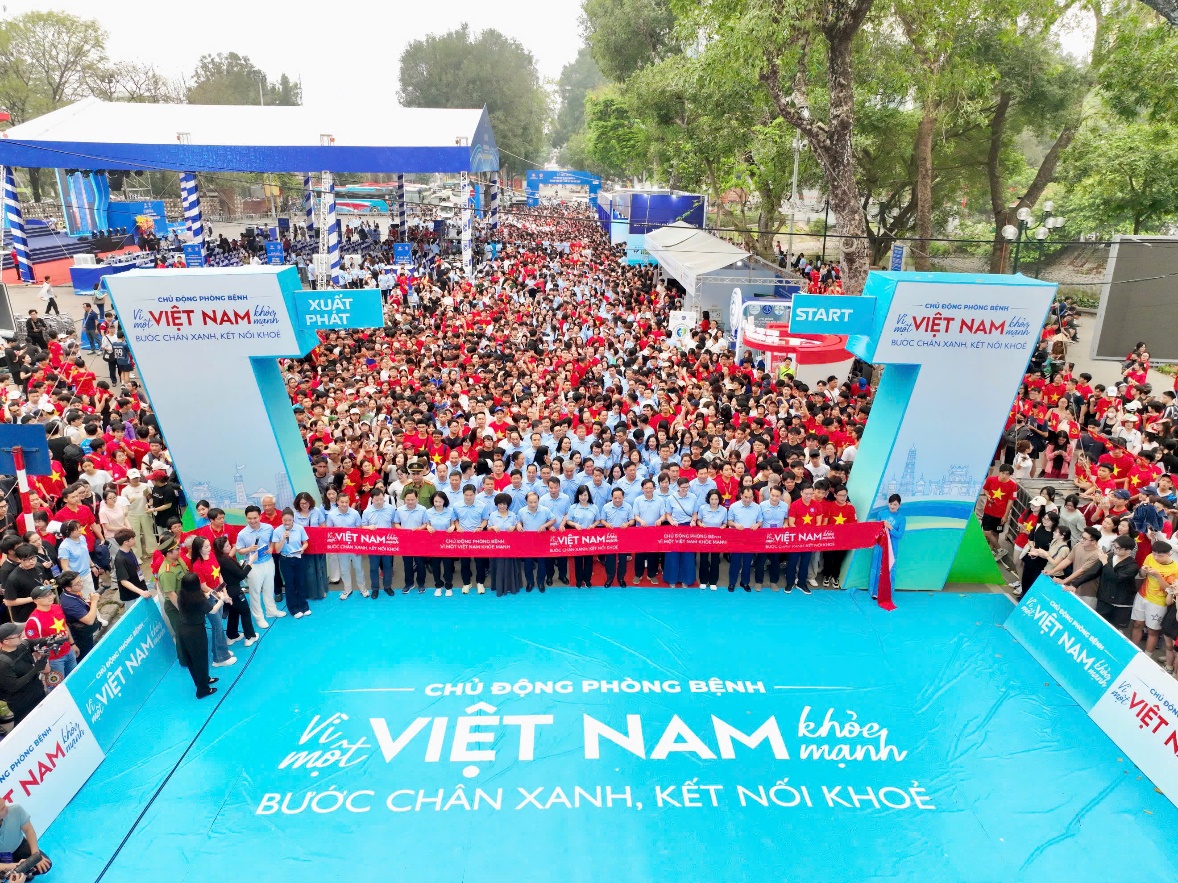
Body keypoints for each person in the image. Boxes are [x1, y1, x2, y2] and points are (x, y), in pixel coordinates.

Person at [176, 573, 224, 699]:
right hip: (195, 632)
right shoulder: (198, 599)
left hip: (183, 630)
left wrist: (207, 595)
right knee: (200, 659)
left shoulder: (182, 595)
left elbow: (197, 604)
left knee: (193, 660)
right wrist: (221, 600)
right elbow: (213, 610)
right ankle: (202, 690)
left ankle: (203, 679)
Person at [189, 537, 235, 668]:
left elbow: (219, 574)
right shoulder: (197, 565)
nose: (210, 548)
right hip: (209, 596)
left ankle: (221, 651)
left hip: (218, 592)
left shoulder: (212, 556)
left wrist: (224, 592)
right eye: (206, 547)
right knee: (217, 625)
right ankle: (219, 658)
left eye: (209, 545)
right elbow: (203, 586)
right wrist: (219, 596)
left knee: (218, 624)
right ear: (199, 549)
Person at [235, 504, 283, 625]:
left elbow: (272, 541)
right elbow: (239, 550)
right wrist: (249, 549)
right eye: (249, 518)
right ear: (246, 518)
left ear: (260, 517)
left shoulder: (268, 528)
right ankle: (259, 617)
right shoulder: (242, 534)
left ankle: (271, 610)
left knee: (269, 587)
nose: (252, 521)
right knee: (255, 592)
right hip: (253, 566)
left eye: (255, 518)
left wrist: (271, 548)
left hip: (268, 562)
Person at [22, 585, 75, 688]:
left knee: (74, 680)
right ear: (35, 601)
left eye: (50, 594)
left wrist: (72, 644)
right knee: (57, 688)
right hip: (53, 660)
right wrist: (44, 664)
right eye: (45, 596)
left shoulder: (56, 607)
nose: (50, 597)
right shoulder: (33, 621)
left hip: (68, 651)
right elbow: (33, 646)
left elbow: (64, 626)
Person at [1130, 539, 1178, 654]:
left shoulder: (1175, 568)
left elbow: (1170, 590)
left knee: (1152, 631)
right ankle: (1131, 650)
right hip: (1142, 595)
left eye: (1160, 556)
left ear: (1169, 554)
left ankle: (1147, 655)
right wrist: (1143, 571)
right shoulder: (1150, 557)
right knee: (1137, 624)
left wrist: (1158, 576)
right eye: (1154, 554)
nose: (1156, 557)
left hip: (1158, 602)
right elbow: (1142, 575)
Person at [213, 536, 257, 647]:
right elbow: (241, 575)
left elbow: (232, 573)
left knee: (233, 612)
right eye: (227, 546)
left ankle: (232, 635)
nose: (230, 547)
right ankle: (250, 636)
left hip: (226, 590)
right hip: (235, 591)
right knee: (245, 612)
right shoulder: (227, 560)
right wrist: (250, 562)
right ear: (221, 549)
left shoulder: (217, 559)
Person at [0, 622, 46, 727]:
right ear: (6, 641)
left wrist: (52, 639)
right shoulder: (3, 663)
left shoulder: (23, 645)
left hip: (37, 691)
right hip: (22, 703)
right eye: (18, 635)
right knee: (26, 726)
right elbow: (13, 686)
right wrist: (36, 669)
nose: (22, 635)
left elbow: (36, 642)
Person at [271, 508, 311, 618]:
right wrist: (283, 539)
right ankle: (293, 608)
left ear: (293, 519)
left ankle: (304, 605)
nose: (287, 522)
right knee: (290, 584)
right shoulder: (277, 531)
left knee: (301, 583)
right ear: (282, 519)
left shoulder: (299, 528)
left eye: (289, 520)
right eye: (285, 520)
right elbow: (277, 550)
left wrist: (302, 548)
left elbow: (305, 543)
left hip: (298, 558)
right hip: (285, 560)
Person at [785, 485, 825, 594]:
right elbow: (791, 523)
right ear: (801, 493)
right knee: (792, 561)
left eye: (810, 494)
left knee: (805, 562)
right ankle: (789, 582)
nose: (808, 496)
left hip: (809, 539)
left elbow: (818, 523)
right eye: (806, 493)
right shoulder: (795, 505)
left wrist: (810, 535)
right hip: (797, 539)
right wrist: (800, 534)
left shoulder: (817, 505)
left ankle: (801, 583)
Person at [326, 493, 367, 599]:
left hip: (354, 546)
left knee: (359, 568)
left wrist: (359, 546)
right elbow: (329, 531)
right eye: (342, 502)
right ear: (337, 502)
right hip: (341, 548)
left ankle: (362, 588)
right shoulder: (331, 515)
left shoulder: (355, 513)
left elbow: (359, 530)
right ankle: (347, 589)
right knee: (344, 570)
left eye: (346, 502)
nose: (344, 504)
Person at [1095, 535, 1140, 629]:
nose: (1115, 549)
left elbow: (1115, 578)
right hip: (1104, 599)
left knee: (1115, 630)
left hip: (1121, 604)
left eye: (1118, 548)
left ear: (1128, 551)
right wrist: (1075, 584)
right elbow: (1093, 572)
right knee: (1099, 626)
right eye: (1114, 546)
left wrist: (1105, 562)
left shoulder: (1132, 566)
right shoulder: (1110, 556)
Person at [662, 479, 698, 589]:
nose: (685, 489)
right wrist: (672, 522)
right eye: (683, 487)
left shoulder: (693, 497)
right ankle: (672, 579)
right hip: (675, 527)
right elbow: (668, 514)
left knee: (687, 555)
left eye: (687, 487)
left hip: (687, 527)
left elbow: (694, 513)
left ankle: (686, 579)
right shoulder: (671, 498)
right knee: (673, 554)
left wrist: (693, 521)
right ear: (678, 486)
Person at [0, 801, 52, 877]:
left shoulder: (15, 809)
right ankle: (18, 875)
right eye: (2, 808)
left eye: (4, 804)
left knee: (44, 866)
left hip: (19, 845)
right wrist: (18, 866)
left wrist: (35, 855)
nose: (7, 808)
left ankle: (23, 875)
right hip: (1, 857)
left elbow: (29, 830)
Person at [453, 483, 489, 593]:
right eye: (466, 495)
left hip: (477, 537)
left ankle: (480, 583)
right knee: (464, 562)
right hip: (463, 537)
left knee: (480, 562)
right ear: (463, 494)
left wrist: (481, 527)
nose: (468, 497)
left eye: (471, 495)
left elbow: (485, 520)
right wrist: (457, 527)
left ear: (475, 494)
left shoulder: (482, 505)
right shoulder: (456, 506)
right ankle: (466, 583)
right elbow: (455, 519)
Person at [361, 487, 396, 599]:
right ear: (372, 499)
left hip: (387, 542)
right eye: (376, 500)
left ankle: (387, 587)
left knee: (388, 566)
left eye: (381, 499)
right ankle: (375, 589)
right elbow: (362, 527)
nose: (379, 502)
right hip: (373, 543)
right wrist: (368, 527)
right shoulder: (367, 512)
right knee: (373, 567)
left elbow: (393, 523)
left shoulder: (390, 509)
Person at [57, 570, 100, 660]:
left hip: (83, 633)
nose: (81, 583)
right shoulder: (70, 604)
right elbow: (89, 621)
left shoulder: (70, 594)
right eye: (77, 583)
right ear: (68, 588)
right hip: (80, 637)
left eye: (80, 580)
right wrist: (94, 601)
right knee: (86, 657)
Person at [292, 492, 327, 602]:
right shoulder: (295, 514)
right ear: (298, 504)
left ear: (310, 502)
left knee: (318, 568)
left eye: (306, 502)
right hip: (302, 546)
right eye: (302, 503)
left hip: (316, 546)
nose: (304, 505)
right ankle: (306, 592)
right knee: (306, 570)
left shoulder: (316, 511)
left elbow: (323, 527)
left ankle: (320, 591)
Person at [564, 485, 601, 588]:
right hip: (577, 538)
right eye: (581, 495)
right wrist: (575, 525)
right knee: (578, 560)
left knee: (589, 560)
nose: (583, 497)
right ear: (578, 496)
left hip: (589, 538)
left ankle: (587, 580)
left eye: (585, 495)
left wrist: (593, 525)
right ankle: (579, 580)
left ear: (588, 495)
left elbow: (598, 520)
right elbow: (568, 521)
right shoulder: (573, 507)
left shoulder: (594, 507)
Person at [631, 480, 668, 585]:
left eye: (650, 488)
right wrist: (641, 521)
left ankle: (651, 574)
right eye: (646, 488)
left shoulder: (659, 500)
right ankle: (638, 574)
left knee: (653, 554)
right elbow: (635, 515)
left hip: (654, 531)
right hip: (641, 531)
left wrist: (660, 520)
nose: (648, 490)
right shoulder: (638, 500)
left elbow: (663, 515)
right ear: (642, 489)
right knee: (640, 554)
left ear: (654, 488)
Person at [727, 486, 763, 592]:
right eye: (746, 497)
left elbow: (760, 521)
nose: (748, 500)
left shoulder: (757, 507)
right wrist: (735, 525)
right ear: (741, 495)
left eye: (750, 497)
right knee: (735, 562)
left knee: (747, 562)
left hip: (750, 539)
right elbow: (729, 521)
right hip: (736, 539)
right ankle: (732, 582)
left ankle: (745, 582)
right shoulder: (734, 506)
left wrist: (757, 525)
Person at [485, 493, 522, 597]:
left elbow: (517, 527)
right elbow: (488, 528)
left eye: (504, 504)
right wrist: (492, 528)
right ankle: (498, 586)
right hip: (497, 546)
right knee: (498, 566)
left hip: (510, 546)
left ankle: (511, 586)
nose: (502, 506)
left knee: (510, 566)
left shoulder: (513, 515)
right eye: (500, 504)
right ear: (496, 504)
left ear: (508, 504)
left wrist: (514, 527)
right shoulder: (493, 515)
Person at [821, 485, 857, 588]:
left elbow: (853, 524)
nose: (843, 498)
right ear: (835, 495)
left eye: (845, 495)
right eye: (840, 495)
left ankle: (835, 576)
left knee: (839, 559)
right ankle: (827, 575)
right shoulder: (829, 506)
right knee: (828, 558)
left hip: (844, 538)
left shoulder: (851, 508)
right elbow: (825, 523)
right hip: (830, 537)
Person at [1019, 510, 1061, 597]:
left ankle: (1031, 598)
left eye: (1048, 520)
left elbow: (1053, 551)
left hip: (1043, 562)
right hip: (1031, 557)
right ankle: (1024, 596)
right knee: (1026, 578)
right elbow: (1030, 539)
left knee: (1035, 581)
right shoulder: (1038, 526)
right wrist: (1032, 548)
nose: (1044, 521)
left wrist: (1040, 553)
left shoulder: (1055, 535)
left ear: (1053, 522)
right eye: (1044, 518)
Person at [518, 492, 555, 592]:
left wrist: (545, 525)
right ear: (526, 501)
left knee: (542, 563)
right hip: (527, 541)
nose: (533, 504)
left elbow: (553, 519)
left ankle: (540, 582)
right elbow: (518, 521)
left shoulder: (545, 510)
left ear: (538, 501)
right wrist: (519, 525)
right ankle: (530, 582)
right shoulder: (521, 511)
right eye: (530, 502)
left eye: (535, 502)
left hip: (541, 540)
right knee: (528, 563)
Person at [598, 487, 634, 588]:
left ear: (623, 497)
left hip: (623, 536)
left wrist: (627, 524)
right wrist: (606, 524)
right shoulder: (606, 507)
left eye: (619, 498)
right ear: (611, 497)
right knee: (610, 558)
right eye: (615, 498)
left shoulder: (628, 507)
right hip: (610, 537)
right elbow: (602, 520)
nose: (617, 500)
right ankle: (610, 578)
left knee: (622, 559)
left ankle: (621, 578)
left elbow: (632, 520)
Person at [394, 488, 429, 593]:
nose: (410, 502)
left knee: (420, 563)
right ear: (404, 499)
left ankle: (421, 583)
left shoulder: (423, 509)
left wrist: (420, 528)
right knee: (407, 564)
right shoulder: (399, 510)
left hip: (419, 540)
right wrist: (402, 530)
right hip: (406, 541)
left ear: (417, 498)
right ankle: (409, 583)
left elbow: (426, 523)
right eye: (408, 500)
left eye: (412, 499)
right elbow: (396, 523)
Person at [424, 491, 456, 596]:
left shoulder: (450, 511)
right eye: (435, 501)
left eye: (440, 501)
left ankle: (448, 586)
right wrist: (428, 527)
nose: (437, 504)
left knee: (448, 566)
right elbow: (427, 524)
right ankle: (438, 585)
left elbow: (453, 523)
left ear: (444, 501)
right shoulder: (428, 512)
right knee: (435, 566)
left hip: (447, 543)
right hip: (434, 543)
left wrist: (452, 527)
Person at [694, 490, 728, 590]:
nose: (714, 501)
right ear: (708, 499)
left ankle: (713, 581)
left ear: (719, 499)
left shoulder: (724, 510)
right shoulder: (702, 508)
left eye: (716, 499)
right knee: (703, 559)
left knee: (715, 560)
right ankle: (703, 580)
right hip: (705, 538)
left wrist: (723, 526)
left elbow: (725, 523)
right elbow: (699, 520)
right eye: (712, 499)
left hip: (717, 539)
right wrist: (700, 524)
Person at [980, 463, 1017, 555]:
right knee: (986, 532)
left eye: (1007, 474)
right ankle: (1000, 550)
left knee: (996, 533)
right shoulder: (991, 479)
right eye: (1003, 473)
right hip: (988, 511)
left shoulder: (1013, 485)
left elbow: (1010, 501)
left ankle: (991, 551)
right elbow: (986, 489)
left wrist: (1005, 516)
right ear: (999, 472)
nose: (1004, 476)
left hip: (1000, 514)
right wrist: (988, 495)